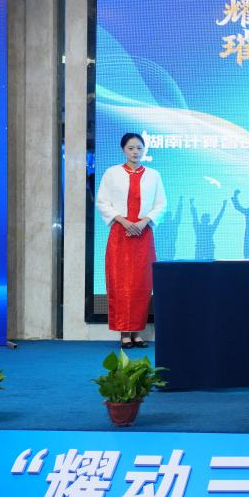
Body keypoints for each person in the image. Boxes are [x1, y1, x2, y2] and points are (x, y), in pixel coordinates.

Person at [95, 132, 166, 349]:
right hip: (120, 234)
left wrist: (144, 221)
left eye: (139, 148)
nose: (136, 152)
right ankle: (124, 333)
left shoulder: (153, 175)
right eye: (131, 148)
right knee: (121, 283)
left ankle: (137, 332)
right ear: (123, 150)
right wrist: (124, 221)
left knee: (141, 283)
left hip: (143, 234)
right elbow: (102, 202)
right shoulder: (112, 173)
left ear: (145, 150)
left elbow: (161, 204)